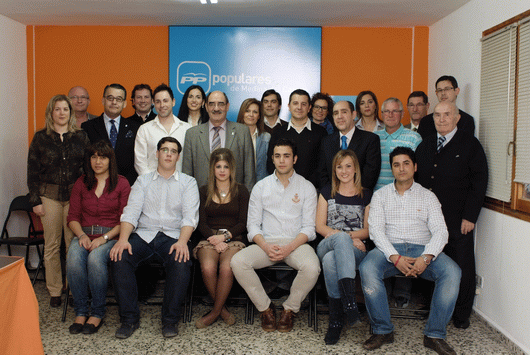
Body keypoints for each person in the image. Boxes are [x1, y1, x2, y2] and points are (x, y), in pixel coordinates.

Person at [360, 147, 461, 355]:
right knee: (367, 268)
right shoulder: (380, 196)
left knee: (453, 272)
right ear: (392, 169)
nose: (401, 168)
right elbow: (376, 231)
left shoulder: (428, 196)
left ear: (415, 167)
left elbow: (441, 231)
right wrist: (394, 257)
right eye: (396, 165)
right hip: (389, 249)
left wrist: (426, 257)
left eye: (406, 163)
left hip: (423, 249)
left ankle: (434, 335)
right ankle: (383, 330)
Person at [110, 136, 199, 339]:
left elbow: (190, 217)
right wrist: (123, 240)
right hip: (144, 235)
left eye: (173, 151)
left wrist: (183, 243)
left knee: (181, 260)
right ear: (157, 153)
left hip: (173, 237)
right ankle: (129, 319)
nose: (168, 154)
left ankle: (170, 321)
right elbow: (131, 212)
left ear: (178, 156)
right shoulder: (142, 181)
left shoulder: (188, 182)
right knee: (120, 257)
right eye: (164, 150)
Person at [231, 139, 320, 333]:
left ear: (294, 159)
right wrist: (264, 246)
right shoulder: (261, 187)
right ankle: (265, 308)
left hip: (295, 244)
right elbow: (252, 225)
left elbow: (309, 228)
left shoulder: (306, 187)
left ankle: (290, 308)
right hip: (267, 243)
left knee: (312, 267)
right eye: (277, 156)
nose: (282, 160)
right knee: (238, 262)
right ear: (272, 159)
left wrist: (289, 248)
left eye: (286, 156)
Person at [416, 101, 488, 330]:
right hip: (428, 222)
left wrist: (470, 216)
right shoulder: (425, 145)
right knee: (432, 263)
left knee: (461, 267)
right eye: (437, 115)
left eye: (447, 114)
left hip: (458, 220)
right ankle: (432, 307)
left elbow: (479, 182)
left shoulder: (470, 145)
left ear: (457, 118)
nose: (442, 119)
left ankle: (461, 314)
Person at [27, 94, 90, 308]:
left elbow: (88, 168)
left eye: (65, 109)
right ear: (50, 112)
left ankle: (73, 288)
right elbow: (32, 171)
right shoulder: (40, 138)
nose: (62, 113)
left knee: (73, 245)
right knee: (52, 245)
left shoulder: (80, 137)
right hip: (49, 197)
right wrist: (36, 200)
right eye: (57, 109)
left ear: (71, 113)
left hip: (75, 196)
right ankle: (54, 290)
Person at [66, 141, 131, 335]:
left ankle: (97, 312)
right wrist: (82, 235)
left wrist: (104, 238)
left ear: (110, 160)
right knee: (73, 259)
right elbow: (72, 217)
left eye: (102, 157)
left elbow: (126, 219)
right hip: (84, 234)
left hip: (110, 236)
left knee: (95, 260)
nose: (98, 161)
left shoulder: (122, 183)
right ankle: (80, 312)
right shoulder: (81, 182)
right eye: (93, 157)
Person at [316, 149, 372, 345]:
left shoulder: (366, 195)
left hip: (354, 251)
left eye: (348, 166)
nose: (344, 171)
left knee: (331, 260)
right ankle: (350, 301)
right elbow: (320, 226)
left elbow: (367, 230)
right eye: (339, 167)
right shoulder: (326, 192)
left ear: (355, 169)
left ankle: (336, 320)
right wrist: (347, 238)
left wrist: (348, 239)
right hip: (327, 243)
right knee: (338, 243)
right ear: (334, 170)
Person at [194, 148, 250, 329]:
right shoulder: (203, 191)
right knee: (208, 267)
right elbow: (201, 222)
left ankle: (214, 312)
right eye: (218, 166)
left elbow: (244, 222)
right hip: (208, 238)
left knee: (227, 268)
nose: (222, 170)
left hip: (234, 237)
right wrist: (214, 239)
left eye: (226, 166)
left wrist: (224, 237)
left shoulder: (241, 191)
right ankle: (223, 311)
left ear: (231, 168)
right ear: (212, 168)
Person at [182, 91, 256, 191]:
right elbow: (187, 174)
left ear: (227, 106)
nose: (216, 108)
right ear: (206, 106)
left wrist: (247, 199)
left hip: (235, 197)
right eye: (211, 104)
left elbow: (249, 172)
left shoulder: (242, 132)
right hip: (201, 198)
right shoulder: (192, 134)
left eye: (221, 104)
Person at [82, 83, 142, 186]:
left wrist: (127, 183)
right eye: (110, 98)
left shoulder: (136, 128)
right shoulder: (88, 127)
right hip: (96, 186)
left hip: (127, 186)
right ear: (103, 100)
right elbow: (85, 160)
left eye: (118, 99)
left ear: (124, 103)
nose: (114, 102)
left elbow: (138, 160)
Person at [267, 89, 327, 187]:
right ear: (289, 106)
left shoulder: (321, 133)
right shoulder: (278, 132)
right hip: (282, 188)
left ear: (309, 108)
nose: (299, 107)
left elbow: (323, 166)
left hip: (312, 190)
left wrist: (309, 186)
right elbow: (271, 162)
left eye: (303, 104)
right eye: (295, 103)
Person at [319, 100, 381, 190]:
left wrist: (350, 196)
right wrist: (330, 195)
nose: (339, 117)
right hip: (331, 198)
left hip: (360, 199)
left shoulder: (370, 139)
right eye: (336, 113)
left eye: (344, 112)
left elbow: (370, 175)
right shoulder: (326, 141)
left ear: (353, 115)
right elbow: (322, 173)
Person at [134, 83, 191, 175]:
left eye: (165, 101)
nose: (162, 105)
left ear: (173, 102)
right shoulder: (144, 129)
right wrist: (152, 183)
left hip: (181, 185)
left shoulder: (187, 129)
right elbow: (140, 162)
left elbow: (191, 161)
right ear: (154, 103)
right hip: (152, 185)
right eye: (158, 101)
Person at [374, 97, 422, 190]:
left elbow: (419, 171)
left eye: (395, 111)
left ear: (402, 114)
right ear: (382, 114)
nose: (390, 115)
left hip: (404, 194)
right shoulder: (374, 137)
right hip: (376, 194)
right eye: (387, 111)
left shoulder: (414, 138)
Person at [237, 98, 270, 181]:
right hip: (237, 185)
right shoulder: (233, 135)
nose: (251, 115)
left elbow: (267, 167)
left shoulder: (266, 138)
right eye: (247, 111)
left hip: (260, 185)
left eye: (255, 112)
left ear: (259, 116)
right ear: (242, 113)